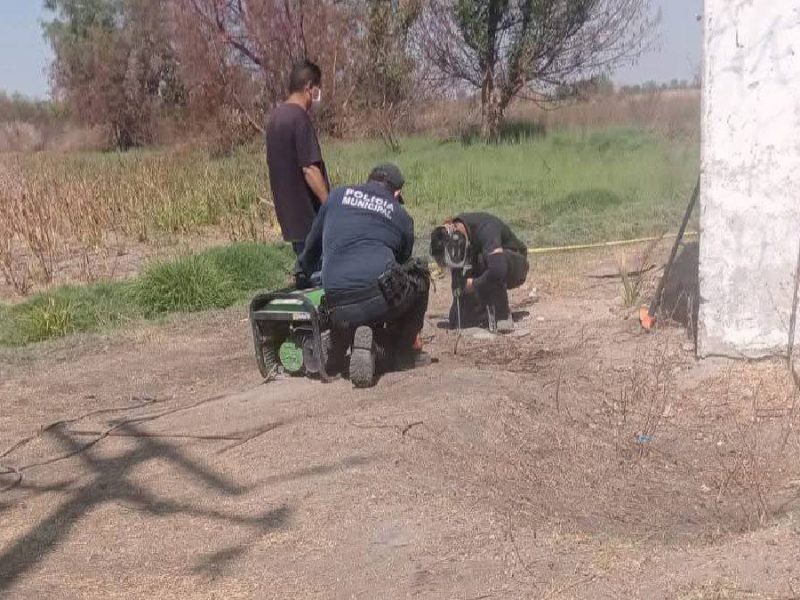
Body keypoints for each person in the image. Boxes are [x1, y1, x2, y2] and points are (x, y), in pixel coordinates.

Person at [297, 163, 430, 387]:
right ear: (397, 193)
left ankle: (344, 338)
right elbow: (402, 264)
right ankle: (400, 350)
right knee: (420, 274)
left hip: (336, 300)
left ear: (368, 180)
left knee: (358, 298)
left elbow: (311, 249)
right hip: (378, 298)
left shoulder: (337, 196)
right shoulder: (400, 214)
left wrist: (300, 276)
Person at [266, 60, 330, 258]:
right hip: (309, 219)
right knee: (320, 281)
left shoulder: (275, 118)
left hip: (290, 219)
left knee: (306, 275)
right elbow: (310, 170)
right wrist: (329, 206)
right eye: (317, 89)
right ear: (309, 87)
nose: (317, 96)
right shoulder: (299, 118)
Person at [430, 213, 529, 334]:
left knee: (485, 260)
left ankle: (501, 313)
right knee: (459, 319)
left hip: (515, 264)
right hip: (491, 264)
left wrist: (474, 284)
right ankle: (479, 311)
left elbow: (498, 269)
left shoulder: (486, 229)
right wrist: (458, 306)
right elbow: (458, 274)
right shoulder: (460, 235)